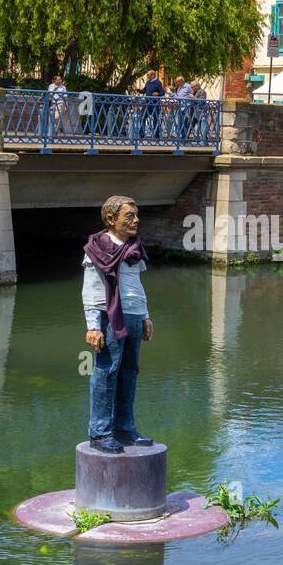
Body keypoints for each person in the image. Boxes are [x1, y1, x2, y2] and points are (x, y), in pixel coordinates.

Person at [83, 195, 154, 454]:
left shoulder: (134, 248)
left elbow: (136, 285)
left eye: (136, 215)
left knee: (129, 373)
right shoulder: (98, 248)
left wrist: (146, 315)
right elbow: (90, 290)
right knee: (106, 373)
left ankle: (125, 428)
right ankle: (100, 433)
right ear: (112, 219)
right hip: (110, 318)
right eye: (129, 216)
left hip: (134, 317)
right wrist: (93, 326)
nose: (136, 220)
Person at [141, 68, 164, 140]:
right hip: (147, 103)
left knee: (156, 119)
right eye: (147, 74)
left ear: (153, 75)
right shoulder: (148, 82)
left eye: (148, 75)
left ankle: (156, 136)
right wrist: (139, 90)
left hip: (155, 104)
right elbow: (144, 90)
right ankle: (141, 135)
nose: (147, 76)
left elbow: (162, 93)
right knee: (142, 117)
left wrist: (157, 93)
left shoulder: (158, 82)